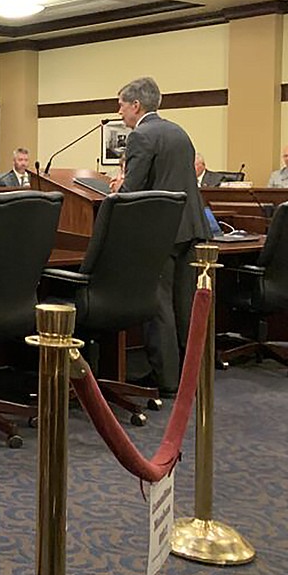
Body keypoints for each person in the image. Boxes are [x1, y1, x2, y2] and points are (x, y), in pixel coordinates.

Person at [109, 77, 210, 397]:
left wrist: (117, 187)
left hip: (160, 232)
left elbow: (132, 191)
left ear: (136, 105)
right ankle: (188, 377)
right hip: (190, 228)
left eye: (122, 104)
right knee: (183, 305)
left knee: (160, 306)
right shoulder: (179, 131)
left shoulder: (141, 135)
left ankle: (166, 380)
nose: (120, 110)